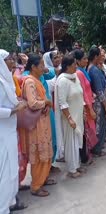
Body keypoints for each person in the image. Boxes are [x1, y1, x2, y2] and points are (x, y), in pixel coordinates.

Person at [23, 53, 55, 196]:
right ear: (34, 67)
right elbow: (33, 103)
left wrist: (46, 104)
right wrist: (46, 102)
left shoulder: (37, 79)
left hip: (44, 121)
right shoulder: (30, 81)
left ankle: (44, 178)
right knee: (39, 153)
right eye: (41, 65)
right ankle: (36, 186)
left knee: (46, 152)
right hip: (37, 125)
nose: (44, 68)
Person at [0, 49, 27, 214]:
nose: (12, 61)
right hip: (2, 133)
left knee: (11, 170)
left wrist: (17, 104)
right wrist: (15, 110)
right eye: (9, 59)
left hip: (10, 130)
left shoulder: (6, 79)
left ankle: (9, 202)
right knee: (5, 171)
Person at [55, 55, 85, 178]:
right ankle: (72, 170)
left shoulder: (75, 77)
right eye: (74, 64)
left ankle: (76, 165)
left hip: (78, 114)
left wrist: (83, 112)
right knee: (71, 143)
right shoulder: (62, 81)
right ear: (68, 66)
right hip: (69, 117)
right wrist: (69, 118)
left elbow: (80, 94)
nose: (76, 66)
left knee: (77, 141)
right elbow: (62, 103)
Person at [74, 49, 97, 165]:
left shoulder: (83, 71)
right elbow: (83, 92)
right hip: (86, 106)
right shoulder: (79, 73)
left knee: (89, 130)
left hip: (89, 103)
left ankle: (87, 154)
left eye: (86, 58)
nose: (86, 60)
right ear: (77, 61)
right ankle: (85, 157)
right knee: (87, 131)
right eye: (84, 59)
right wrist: (90, 109)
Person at [88, 47, 106, 157]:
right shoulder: (94, 70)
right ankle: (97, 149)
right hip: (98, 103)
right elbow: (99, 91)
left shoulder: (92, 68)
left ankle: (97, 147)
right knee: (99, 125)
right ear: (95, 57)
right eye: (100, 55)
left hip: (97, 101)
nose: (102, 57)